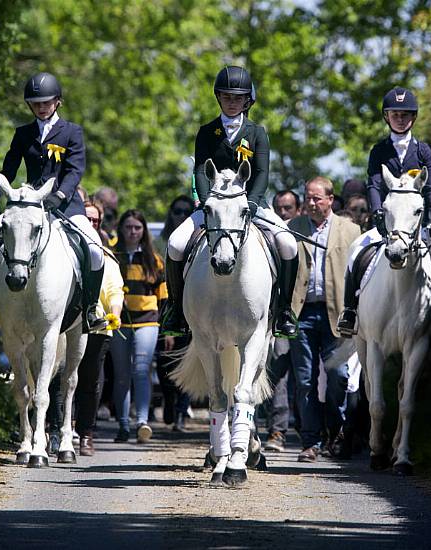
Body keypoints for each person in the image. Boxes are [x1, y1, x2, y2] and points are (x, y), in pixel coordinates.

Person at [161, 65, 299, 339]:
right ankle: (176, 310)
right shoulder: (206, 132)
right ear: (218, 98)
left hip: (249, 204)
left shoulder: (257, 132)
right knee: (176, 243)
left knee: (288, 243)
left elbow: (261, 172)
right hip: (214, 206)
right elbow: (200, 170)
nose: (232, 102)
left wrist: (253, 202)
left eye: (237, 97)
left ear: (247, 100)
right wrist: (205, 201)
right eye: (227, 96)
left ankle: (283, 311)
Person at [0, 71, 106, 332]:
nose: (41, 108)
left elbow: (74, 171)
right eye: (36, 103)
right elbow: (6, 170)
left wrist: (59, 196)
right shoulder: (23, 134)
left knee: (95, 248)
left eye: (46, 102)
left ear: (57, 102)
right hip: (29, 205)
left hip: (65, 205)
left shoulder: (72, 132)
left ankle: (91, 307)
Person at [336, 86, 431, 337]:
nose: (400, 119)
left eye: (405, 114)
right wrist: (377, 212)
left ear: (413, 117)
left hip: (415, 222)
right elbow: (374, 184)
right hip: (388, 222)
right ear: (386, 117)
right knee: (357, 251)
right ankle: (350, 311)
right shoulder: (379, 150)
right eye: (395, 114)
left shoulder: (423, 151)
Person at [288, 177, 360, 462]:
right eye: (308, 197)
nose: (311, 202)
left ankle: (336, 431)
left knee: (339, 377)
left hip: (338, 315)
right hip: (302, 313)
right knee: (305, 381)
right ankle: (310, 442)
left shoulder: (351, 231)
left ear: (331, 200)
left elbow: (358, 276)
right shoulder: (293, 228)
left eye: (317, 198)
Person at [71, 201, 124, 456]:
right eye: (86, 219)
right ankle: (58, 427)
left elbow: (115, 290)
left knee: (90, 381)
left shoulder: (106, 257)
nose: (90, 224)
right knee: (62, 378)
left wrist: (115, 314)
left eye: (95, 221)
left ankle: (85, 433)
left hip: (98, 326)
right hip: (67, 325)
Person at [110, 210, 167, 443]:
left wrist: (164, 326)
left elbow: (163, 295)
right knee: (121, 374)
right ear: (121, 229)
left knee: (142, 370)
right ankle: (123, 424)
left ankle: (142, 422)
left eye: (137, 228)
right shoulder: (112, 255)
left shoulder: (154, 259)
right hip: (118, 321)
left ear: (143, 231)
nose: (132, 232)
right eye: (128, 227)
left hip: (148, 320)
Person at [264, 190, 302, 452]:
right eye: (279, 208)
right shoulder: (269, 236)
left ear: (297, 210)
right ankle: (277, 430)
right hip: (278, 314)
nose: (283, 213)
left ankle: (313, 433)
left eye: (288, 208)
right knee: (276, 375)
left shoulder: (301, 234)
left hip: (310, 312)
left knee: (308, 377)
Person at [153, 196, 194, 432]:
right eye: (177, 211)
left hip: (191, 308)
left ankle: (181, 411)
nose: (180, 215)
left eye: (185, 211)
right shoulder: (160, 243)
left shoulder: (197, 238)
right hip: (165, 306)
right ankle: (169, 399)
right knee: (164, 361)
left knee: (188, 359)